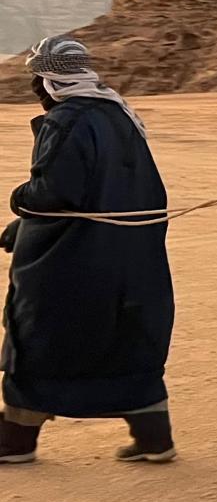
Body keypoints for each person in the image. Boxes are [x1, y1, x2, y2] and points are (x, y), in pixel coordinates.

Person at [0, 37, 177, 464]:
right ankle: (155, 439)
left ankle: (15, 442)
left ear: (47, 81)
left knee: (40, 335)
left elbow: (55, 193)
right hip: (131, 258)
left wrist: (19, 201)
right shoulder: (118, 113)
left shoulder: (67, 120)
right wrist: (24, 227)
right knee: (128, 342)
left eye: (36, 82)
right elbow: (104, 191)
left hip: (75, 260)